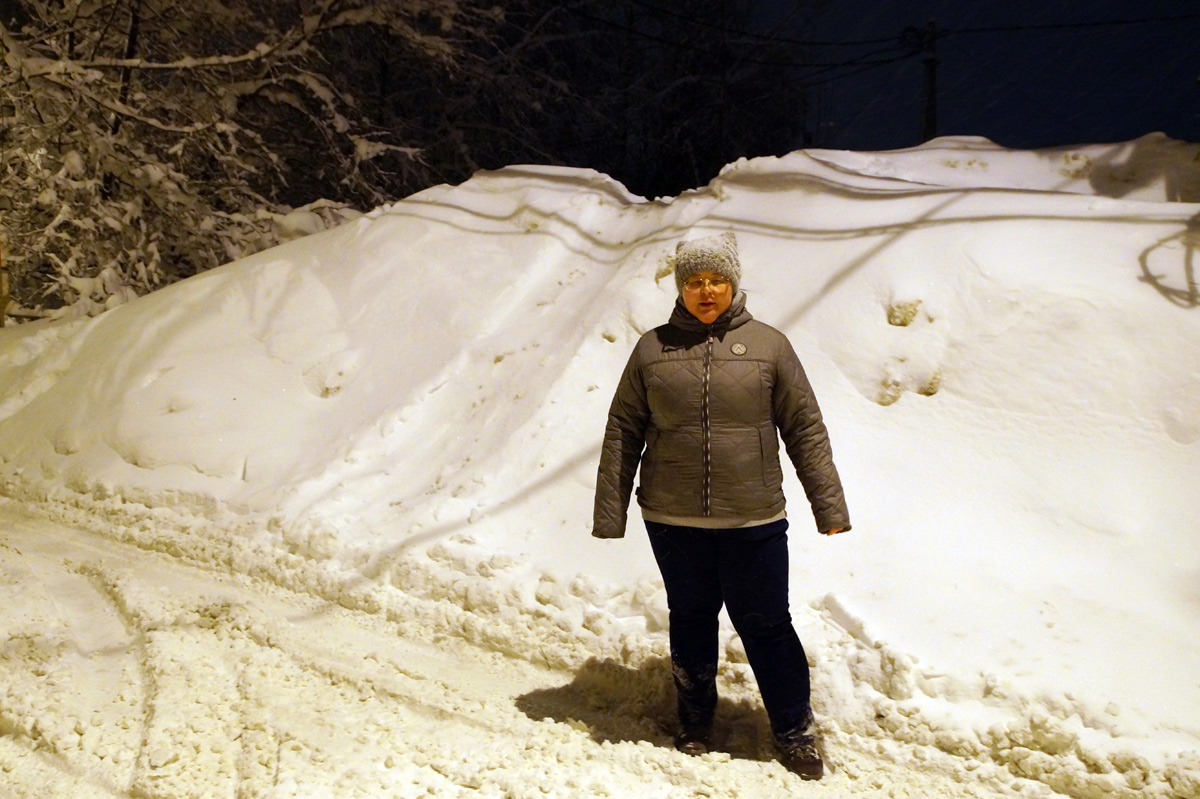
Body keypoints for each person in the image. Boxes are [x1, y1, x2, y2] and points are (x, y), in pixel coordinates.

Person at [592, 231, 851, 781]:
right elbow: (623, 431)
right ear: (680, 288)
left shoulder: (770, 345)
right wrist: (610, 511)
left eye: (715, 280)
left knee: (767, 624)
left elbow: (805, 427)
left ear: (733, 283)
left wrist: (828, 505)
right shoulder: (652, 349)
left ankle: (793, 731)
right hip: (672, 517)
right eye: (694, 281)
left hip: (753, 518)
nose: (705, 291)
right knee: (690, 617)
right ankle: (694, 720)